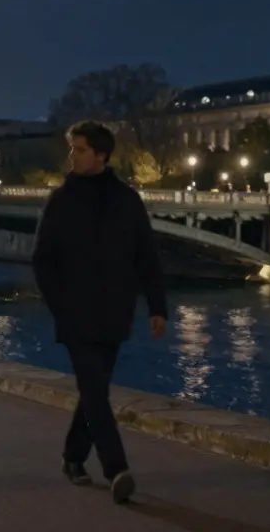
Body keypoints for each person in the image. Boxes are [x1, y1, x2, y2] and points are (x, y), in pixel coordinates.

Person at [31, 120, 168, 505]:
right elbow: (42, 261)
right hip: (75, 314)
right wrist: (59, 305)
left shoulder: (127, 200)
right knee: (93, 389)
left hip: (114, 311)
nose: (71, 155)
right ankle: (116, 469)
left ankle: (73, 457)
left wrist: (157, 306)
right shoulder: (60, 200)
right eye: (72, 148)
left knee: (95, 392)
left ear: (101, 155)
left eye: (79, 149)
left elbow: (147, 257)